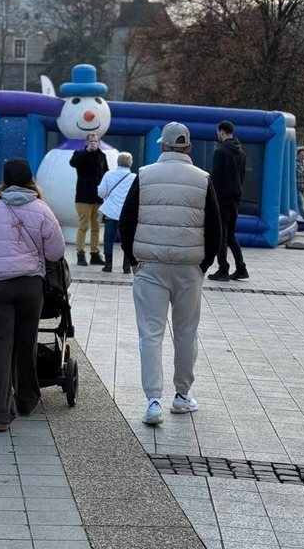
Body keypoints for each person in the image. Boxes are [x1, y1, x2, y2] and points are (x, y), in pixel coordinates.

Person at [119, 122, 222, 423]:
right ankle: (182, 395)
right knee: (186, 333)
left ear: (162, 146)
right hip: (190, 268)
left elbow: (127, 222)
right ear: (188, 147)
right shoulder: (203, 180)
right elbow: (215, 229)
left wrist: (134, 260)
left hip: (150, 266)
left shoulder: (145, 175)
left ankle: (153, 401)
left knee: (150, 334)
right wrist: (203, 265)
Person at [0, 158, 66, 432]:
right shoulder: (42, 209)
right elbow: (55, 253)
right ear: (30, 179)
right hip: (29, 286)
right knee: (26, 342)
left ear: (4, 180)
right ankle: (26, 401)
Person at [208, 120, 249, 282]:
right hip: (235, 198)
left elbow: (215, 178)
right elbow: (242, 176)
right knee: (231, 235)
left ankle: (223, 269)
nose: (218, 135)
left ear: (222, 132)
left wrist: (211, 198)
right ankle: (241, 267)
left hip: (222, 199)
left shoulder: (220, 152)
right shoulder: (241, 152)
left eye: (218, 132)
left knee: (222, 236)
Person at [69, 132, 109, 266]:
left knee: (96, 227)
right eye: (91, 141)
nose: (93, 143)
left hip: (97, 198)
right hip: (83, 197)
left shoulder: (102, 156)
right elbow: (73, 163)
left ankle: (94, 253)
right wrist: (87, 151)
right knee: (83, 225)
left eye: (96, 141)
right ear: (86, 142)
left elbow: (106, 174)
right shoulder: (79, 154)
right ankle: (80, 253)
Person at [97, 152, 137, 273]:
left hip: (110, 212)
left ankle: (108, 265)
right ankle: (126, 266)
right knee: (127, 239)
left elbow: (101, 193)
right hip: (126, 214)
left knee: (108, 238)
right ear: (130, 163)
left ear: (118, 162)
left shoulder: (109, 175)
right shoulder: (134, 177)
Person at [295, 148, 304, 219]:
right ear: (297, 155)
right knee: (301, 201)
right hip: (296, 185)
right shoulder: (295, 162)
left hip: (303, 186)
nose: (303, 157)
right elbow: (299, 172)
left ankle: (297, 214)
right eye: (302, 155)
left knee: (298, 201)